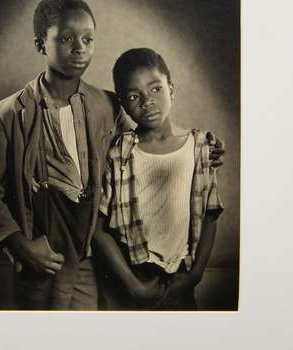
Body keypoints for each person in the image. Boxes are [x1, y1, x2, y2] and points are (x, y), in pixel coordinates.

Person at [0, 0, 225, 310]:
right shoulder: (5, 114)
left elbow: (146, 146)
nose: (79, 48)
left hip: (94, 258)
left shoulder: (109, 105)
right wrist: (20, 245)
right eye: (66, 39)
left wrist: (202, 147)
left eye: (87, 39)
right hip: (43, 256)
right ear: (41, 45)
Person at [93, 48, 224, 310]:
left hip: (181, 276)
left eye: (155, 89)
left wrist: (195, 276)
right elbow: (98, 228)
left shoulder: (199, 147)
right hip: (131, 274)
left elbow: (210, 215)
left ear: (171, 89)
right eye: (134, 96)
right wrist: (133, 284)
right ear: (123, 104)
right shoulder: (121, 152)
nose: (147, 102)